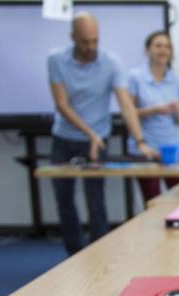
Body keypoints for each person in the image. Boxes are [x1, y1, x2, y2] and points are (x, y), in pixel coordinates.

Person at [47, 12, 155, 255]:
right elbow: (62, 105)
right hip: (64, 138)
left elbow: (126, 105)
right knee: (64, 200)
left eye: (95, 40)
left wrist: (140, 141)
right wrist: (90, 134)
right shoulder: (56, 60)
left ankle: (98, 256)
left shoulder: (111, 62)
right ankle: (73, 255)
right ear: (73, 37)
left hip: (99, 138)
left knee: (96, 200)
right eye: (85, 41)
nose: (91, 47)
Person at [128, 30, 179, 203]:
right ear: (147, 50)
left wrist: (177, 110)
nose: (163, 50)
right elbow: (129, 113)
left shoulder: (177, 81)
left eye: (167, 46)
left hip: (172, 151)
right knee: (152, 201)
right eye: (158, 45)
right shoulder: (135, 77)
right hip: (146, 150)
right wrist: (153, 110)